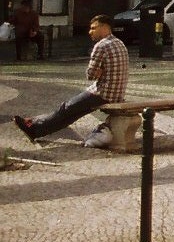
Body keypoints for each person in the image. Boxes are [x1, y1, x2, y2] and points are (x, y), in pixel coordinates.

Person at [12, 13, 128, 145]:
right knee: (72, 113)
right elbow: (98, 73)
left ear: (104, 27)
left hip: (103, 92)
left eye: (93, 28)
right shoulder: (119, 43)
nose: (90, 32)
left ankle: (32, 127)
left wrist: (98, 72)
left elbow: (90, 75)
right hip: (117, 93)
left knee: (66, 108)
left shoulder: (101, 46)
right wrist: (100, 72)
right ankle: (35, 127)